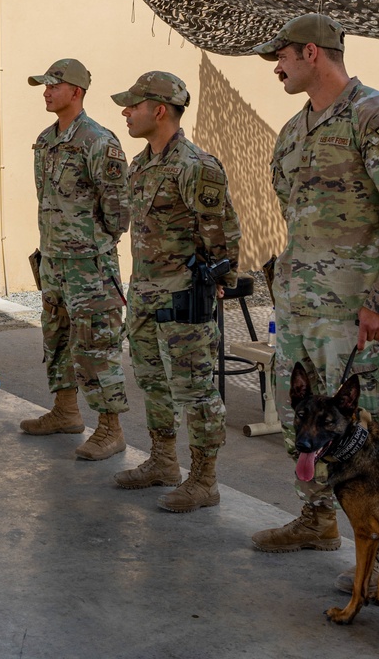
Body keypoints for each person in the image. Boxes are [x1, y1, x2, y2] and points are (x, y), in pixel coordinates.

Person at [249, 13, 379, 585]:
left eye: (280, 57)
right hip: (302, 309)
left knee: (367, 432)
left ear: (311, 53)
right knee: (299, 417)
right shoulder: (293, 131)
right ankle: (316, 517)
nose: (275, 68)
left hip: (355, 313)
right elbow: (292, 212)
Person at [111, 71, 241, 512]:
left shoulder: (196, 167)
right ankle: (163, 462)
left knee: (195, 390)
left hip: (184, 297)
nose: (126, 112)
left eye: (133, 105)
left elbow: (221, 234)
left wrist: (219, 283)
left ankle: (205, 480)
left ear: (159, 110)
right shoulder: (142, 163)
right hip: (145, 292)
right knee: (153, 382)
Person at [19, 58, 131, 461]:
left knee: (96, 347)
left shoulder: (99, 141)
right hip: (53, 261)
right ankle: (66, 412)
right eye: (44, 85)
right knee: (58, 340)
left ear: (76, 92)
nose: (46, 91)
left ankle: (110, 428)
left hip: (90, 266)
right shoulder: (46, 141)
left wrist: (89, 243)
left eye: (54, 85)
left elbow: (119, 211)